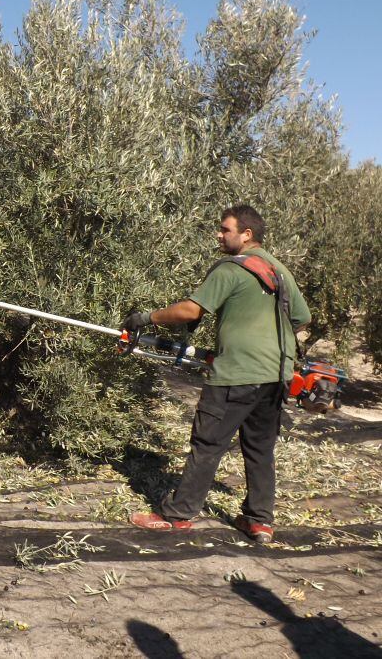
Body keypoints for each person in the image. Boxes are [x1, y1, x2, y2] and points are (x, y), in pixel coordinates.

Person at [122, 205, 309, 544]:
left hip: (236, 375)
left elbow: (190, 310)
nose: (219, 235)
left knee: (207, 444)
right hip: (276, 376)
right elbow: (301, 317)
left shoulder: (231, 269)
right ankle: (259, 521)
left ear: (246, 234)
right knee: (259, 449)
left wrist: (146, 318)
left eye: (225, 230)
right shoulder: (279, 269)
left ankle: (177, 515)